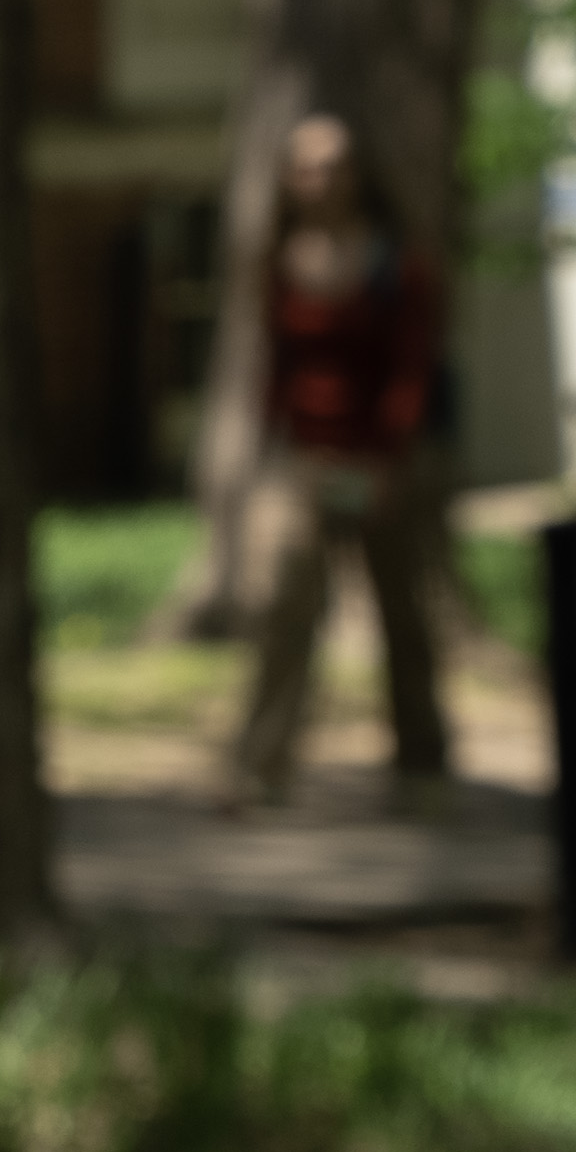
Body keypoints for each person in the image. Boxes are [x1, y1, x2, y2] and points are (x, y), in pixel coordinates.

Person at [225, 108, 456, 809]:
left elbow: (412, 369)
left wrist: (388, 460)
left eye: (333, 165)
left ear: (357, 174)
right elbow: (275, 367)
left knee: (401, 613)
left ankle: (422, 769)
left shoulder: (396, 262)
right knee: (283, 607)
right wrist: (265, 450)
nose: (319, 179)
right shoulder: (278, 260)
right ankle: (261, 766)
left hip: (381, 465)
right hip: (303, 461)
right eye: (305, 167)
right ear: (288, 179)